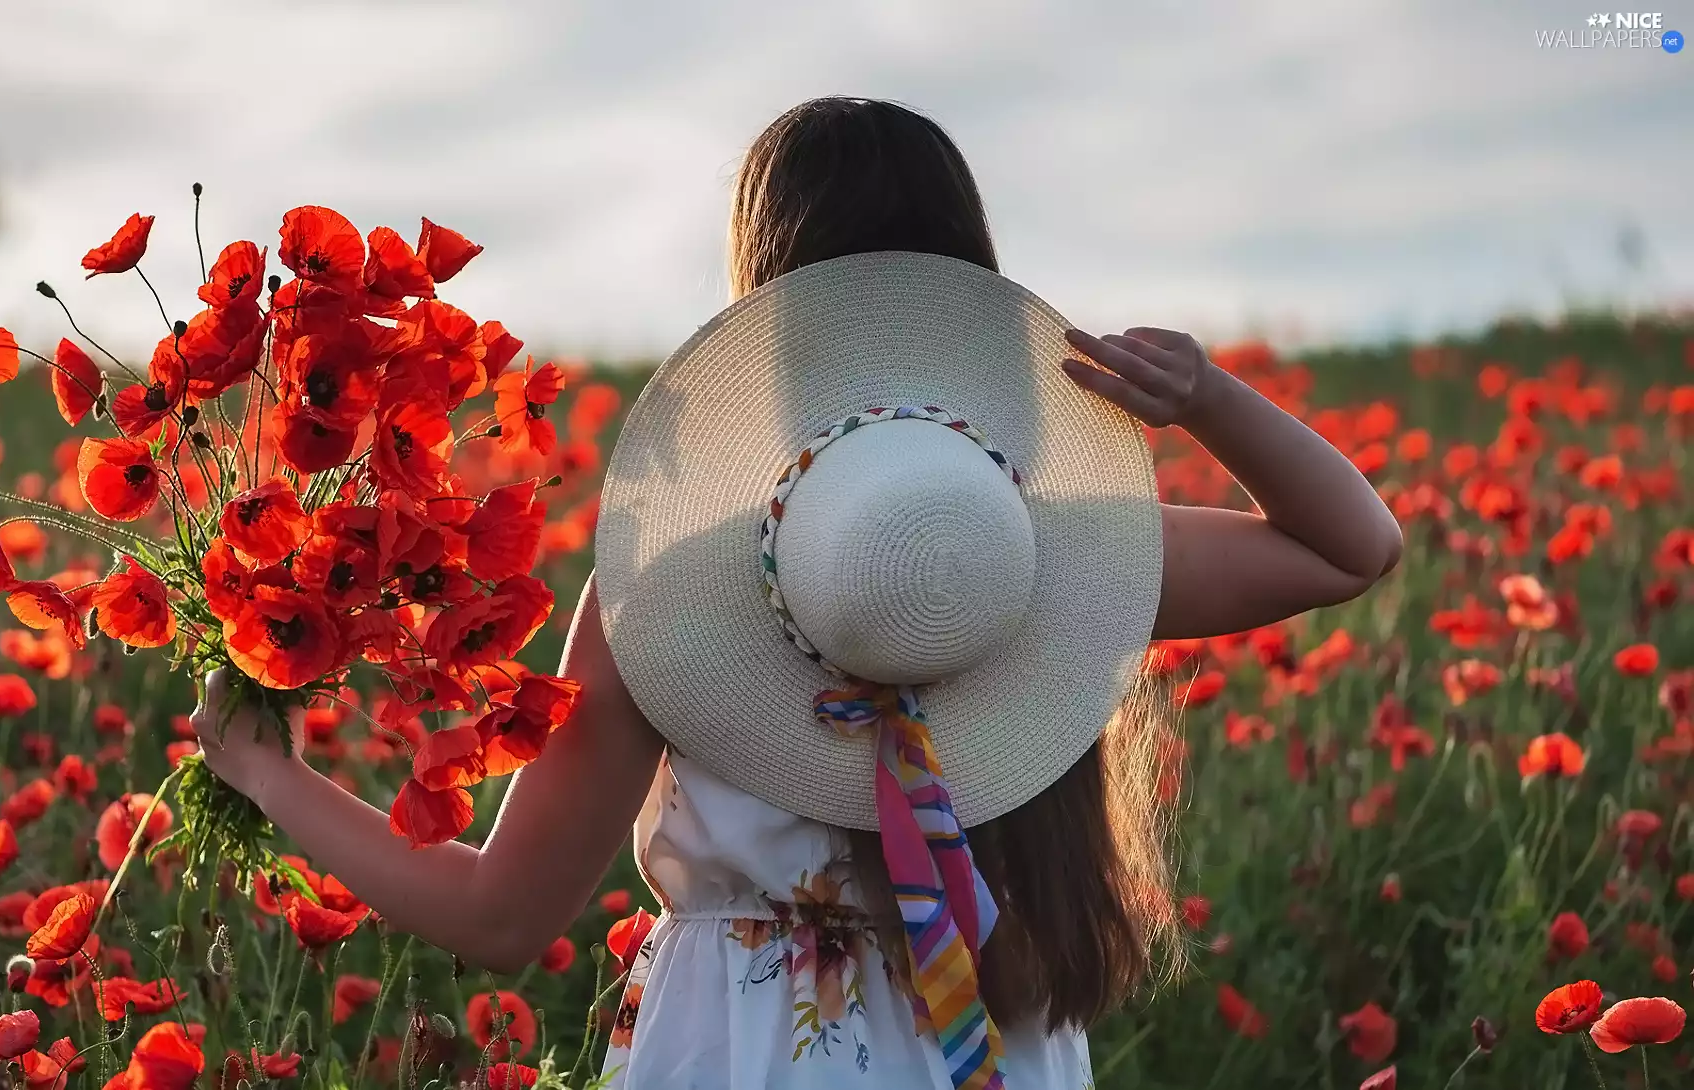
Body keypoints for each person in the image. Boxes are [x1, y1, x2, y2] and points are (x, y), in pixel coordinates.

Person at [194, 96, 1403, 1090]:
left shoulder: (667, 593)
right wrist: (1199, 399)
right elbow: (1350, 547)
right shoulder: (1039, 553)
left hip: (752, 1051)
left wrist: (268, 773)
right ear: (967, 289)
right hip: (998, 1049)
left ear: (768, 314)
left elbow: (500, 915)